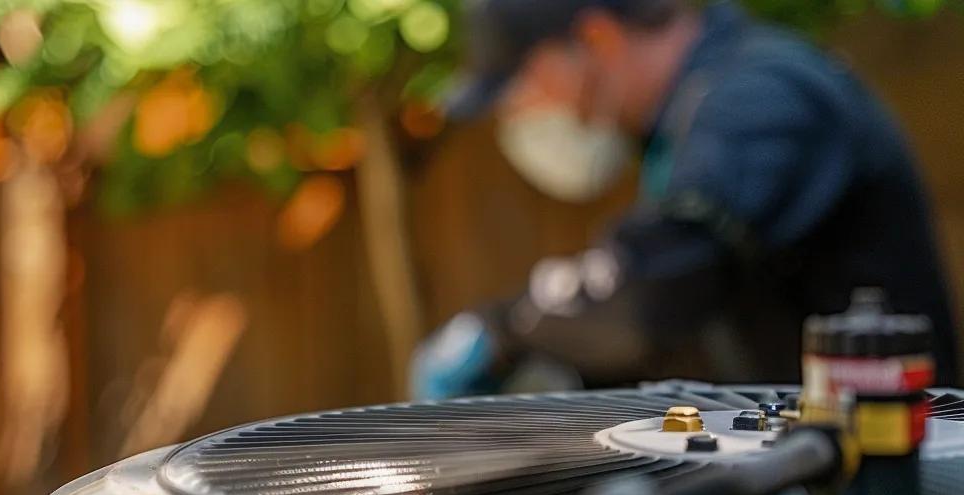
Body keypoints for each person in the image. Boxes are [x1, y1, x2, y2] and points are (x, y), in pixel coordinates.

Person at [411, 0, 959, 400]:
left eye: (527, 84)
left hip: (888, 492)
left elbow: (656, 286)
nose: (525, 112)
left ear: (598, 39)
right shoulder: (687, 121)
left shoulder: (756, 99)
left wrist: (503, 330)